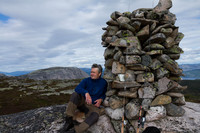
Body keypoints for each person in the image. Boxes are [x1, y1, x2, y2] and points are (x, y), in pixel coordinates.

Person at [61, 64, 107, 133]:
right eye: (91, 72)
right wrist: (86, 93)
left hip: (92, 106)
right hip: (83, 103)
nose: (91, 74)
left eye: (94, 72)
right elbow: (77, 88)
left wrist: (101, 99)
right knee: (75, 94)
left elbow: (104, 94)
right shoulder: (86, 80)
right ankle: (69, 120)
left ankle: (75, 130)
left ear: (99, 73)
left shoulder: (104, 83)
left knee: (95, 116)